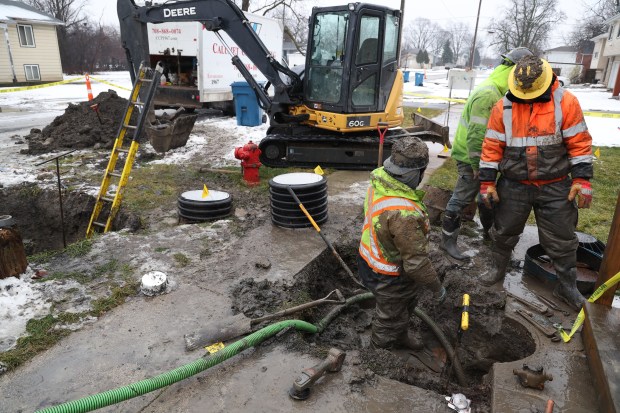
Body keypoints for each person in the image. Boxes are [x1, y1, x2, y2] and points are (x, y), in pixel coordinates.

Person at [478, 56, 593, 310]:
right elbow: (491, 146)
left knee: (562, 238)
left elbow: (580, 143)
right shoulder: (503, 106)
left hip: (556, 185)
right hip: (514, 184)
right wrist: (487, 183)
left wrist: (582, 179)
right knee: (504, 231)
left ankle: (566, 286)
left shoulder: (566, 102)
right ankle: (497, 270)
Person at [441, 47, 534, 260]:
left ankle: (487, 235)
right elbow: (476, 135)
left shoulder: (499, 90)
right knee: (461, 198)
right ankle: (447, 242)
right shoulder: (489, 94)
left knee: (487, 198)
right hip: (471, 157)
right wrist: (477, 165)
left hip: (483, 158)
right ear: (514, 70)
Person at [358, 136, 446, 350]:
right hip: (389, 276)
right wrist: (437, 288)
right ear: (417, 173)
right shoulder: (403, 212)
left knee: (401, 308)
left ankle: (400, 336)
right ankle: (378, 355)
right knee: (389, 319)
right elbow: (416, 263)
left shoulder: (378, 180)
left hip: (371, 261)